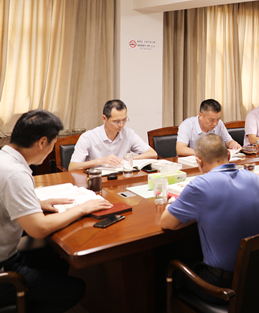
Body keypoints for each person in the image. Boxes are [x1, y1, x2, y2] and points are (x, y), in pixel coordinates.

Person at [0, 110, 112, 313]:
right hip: (5, 268)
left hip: (8, 252)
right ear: (42, 142)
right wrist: (82, 208)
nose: (52, 149)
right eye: (53, 143)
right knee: (74, 289)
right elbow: (39, 229)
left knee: (55, 261)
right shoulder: (15, 173)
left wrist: (36, 203)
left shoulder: (4, 159)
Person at [161, 134, 259, 302]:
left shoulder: (200, 185)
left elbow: (167, 223)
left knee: (171, 271)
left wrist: (194, 210)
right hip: (257, 276)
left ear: (199, 161)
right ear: (229, 155)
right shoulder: (253, 178)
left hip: (222, 286)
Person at [68, 99, 157, 171]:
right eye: (116, 121)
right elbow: (72, 167)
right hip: (97, 179)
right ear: (104, 118)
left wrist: (127, 159)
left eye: (124, 120)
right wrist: (100, 161)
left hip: (121, 178)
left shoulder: (128, 134)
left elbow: (152, 154)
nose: (121, 125)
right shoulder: (88, 137)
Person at [176, 99, 242, 157]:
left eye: (218, 119)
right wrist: (204, 154)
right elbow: (180, 149)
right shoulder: (187, 125)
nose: (215, 123)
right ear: (200, 115)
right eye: (211, 120)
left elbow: (229, 142)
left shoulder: (219, 124)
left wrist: (235, 145)